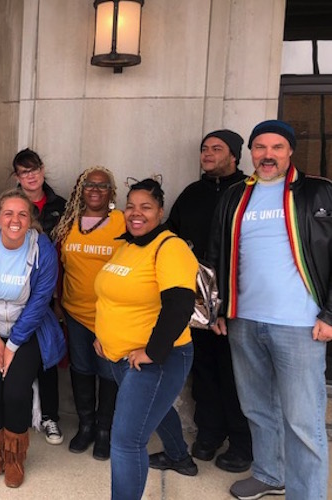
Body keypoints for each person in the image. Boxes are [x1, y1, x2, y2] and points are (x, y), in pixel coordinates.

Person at [207, 120, 331, 500]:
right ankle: (269, 474)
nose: (268, 155)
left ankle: (306, 494)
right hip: (244, 320)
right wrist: (218, 310)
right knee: (258, 408)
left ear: (290, 151)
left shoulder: (317, 192)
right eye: (260, 147)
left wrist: (329, 314)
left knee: (302, 420)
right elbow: (216, 255)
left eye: (277, 147)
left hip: (300, 325)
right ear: (251, 153)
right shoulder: (234, 196)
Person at [94, 178, 198, 499]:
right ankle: (179, 456)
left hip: (156, 360)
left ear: (160, 211)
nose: (136, 213)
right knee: (156, 407)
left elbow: (180, 305)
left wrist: (152, 352)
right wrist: (103, 336)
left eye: (146, 207)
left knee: (126, 441)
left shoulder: (171, 247)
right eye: (131, 206)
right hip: (120, 356)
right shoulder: (127, 245)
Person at [0, 189, 66, 488]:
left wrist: (14, 343)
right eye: (8, 213)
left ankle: (15, 457)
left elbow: (40, 300)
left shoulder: (41, 247)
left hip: (26, 328)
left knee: (16, 393)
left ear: (31, 219)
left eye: (22, 214)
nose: (15, 220)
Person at [167, 129, 252, 473]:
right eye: (204, 148)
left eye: (217, 148)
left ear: (234, 155)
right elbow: (172, 233)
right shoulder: (192, 192)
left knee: (236, 373)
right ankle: (208, 435)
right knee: (202, 369)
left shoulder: (249, 191)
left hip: (239, 297)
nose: (208, 153)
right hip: (198, 298)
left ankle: (243, 443)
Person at [51, 167, 124, 459]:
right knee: (82, 369)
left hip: (110, 315)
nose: (95, 190)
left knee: (108, 372)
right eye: (89, 185)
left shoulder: (122, 221)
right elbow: (59, 264)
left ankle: (105, 429)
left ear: (112, 191)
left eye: (102, 185)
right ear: (80, 189)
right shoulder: (69, 222)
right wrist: (57, 300)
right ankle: (86, 425)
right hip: (74, 312)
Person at [12, 148, 66, 445]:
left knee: (47, 356)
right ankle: (17, 414)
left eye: (34, 169)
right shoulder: (10, 203)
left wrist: (58, 298)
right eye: (23, 171)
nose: (30, 176)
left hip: (48, 293)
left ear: (42, 170)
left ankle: (49, 417)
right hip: (14, 292)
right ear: (17, 176)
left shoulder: (61, 205)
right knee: (16, 356)